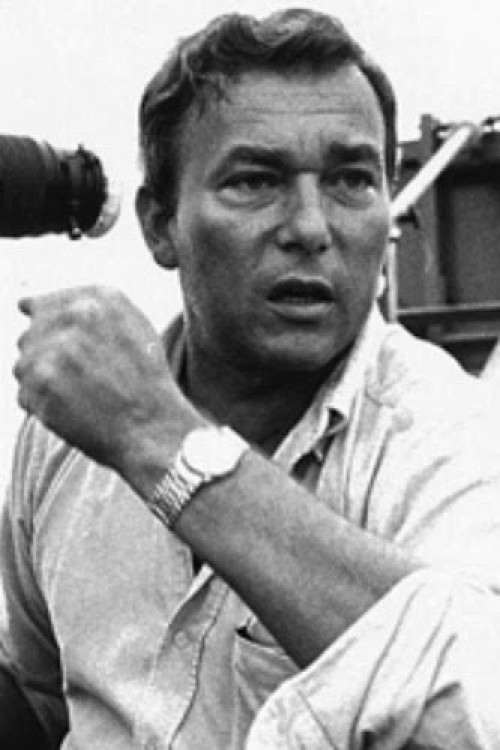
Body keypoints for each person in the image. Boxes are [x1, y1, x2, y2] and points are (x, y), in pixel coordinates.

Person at [2, 8, 500, 749]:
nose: (311, 227)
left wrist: (160, 441)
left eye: (351, 180)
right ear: (160, 225)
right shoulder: (67, 433)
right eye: (256, 181)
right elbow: (43, 698)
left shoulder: (452, 437)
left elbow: (483, 704)